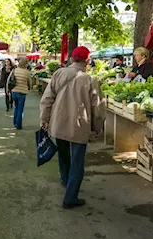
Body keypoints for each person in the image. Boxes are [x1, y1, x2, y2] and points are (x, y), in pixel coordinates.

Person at [39, 46, 105, 209]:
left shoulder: (58, 74)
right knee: (77, 161)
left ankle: (65, 179)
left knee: (63, 154)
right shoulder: (90, 80)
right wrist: (97, 127)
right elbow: (98, 108)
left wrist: (44, 119)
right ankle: (70, 197)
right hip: (79, 125)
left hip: (58, 123)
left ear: (72, 58)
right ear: (87, 61)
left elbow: (47, 99)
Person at [9, 58, 32, 130]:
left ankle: (15, 122)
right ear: (25, 64)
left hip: (14, 91)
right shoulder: (27, 72)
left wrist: (8, 90)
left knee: (16, 107)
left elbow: (9, 79)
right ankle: (19, 125)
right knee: (20, 108)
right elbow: (30, 83)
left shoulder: (15, 70)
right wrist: (29, 88)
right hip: (22, 92)